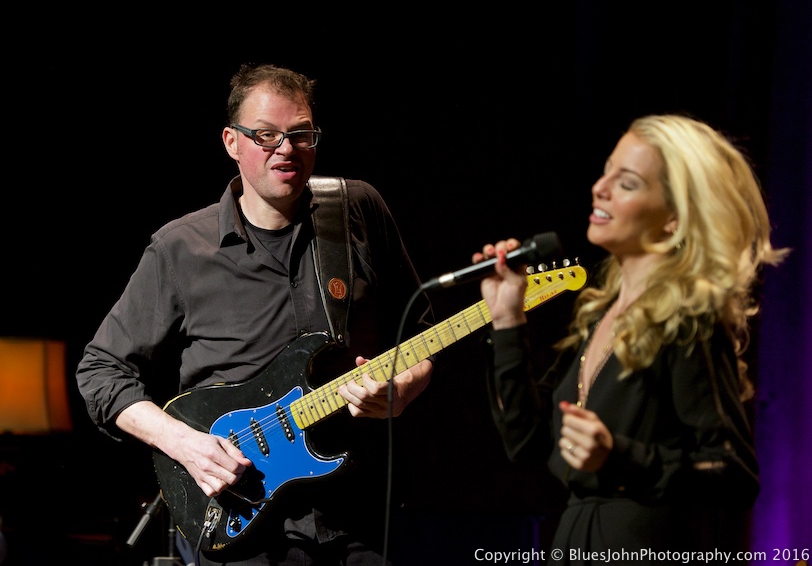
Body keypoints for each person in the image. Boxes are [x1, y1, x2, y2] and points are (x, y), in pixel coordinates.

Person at [76, 63, 434, 565]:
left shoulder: (358, 208)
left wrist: (402, 389)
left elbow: (418, 333)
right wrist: (184, 444)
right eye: (266, 135)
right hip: (239, 520)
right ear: (231, 142)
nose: (286, 149)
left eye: (301, 134)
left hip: (357, 515)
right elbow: (100, 370)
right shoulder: (181, 249)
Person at [473, 114, 788, 560]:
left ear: (673, 220)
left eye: (628, 183)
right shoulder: (599, 316)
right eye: (606, 171)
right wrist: (507, 319)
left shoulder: (687, 323)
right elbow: (526, 441)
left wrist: (619, 456)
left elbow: (734, 474)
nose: (600, 188)